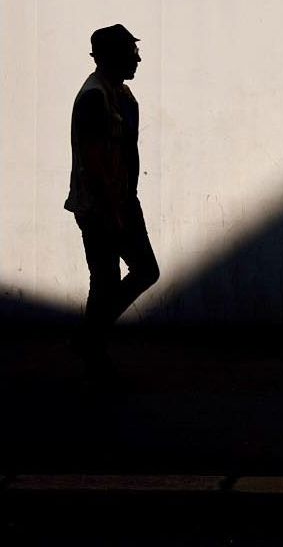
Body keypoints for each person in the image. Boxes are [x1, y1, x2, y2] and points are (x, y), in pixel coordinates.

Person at [64, 24, 159, 369]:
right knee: (111, 278)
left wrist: (128, 199)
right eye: (131, 53)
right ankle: (92, 347)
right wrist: (111, 208)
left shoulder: (123, 96)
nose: (137, 59)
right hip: (99, 204)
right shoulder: (94, 97)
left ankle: (90, 338)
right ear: (107, 58)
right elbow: (92, 161)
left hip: (121, 200)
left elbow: (128, 151)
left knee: (132, 274)